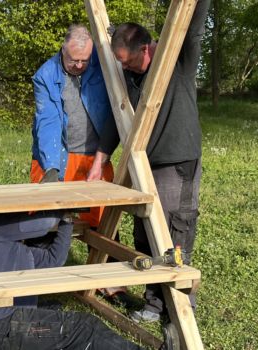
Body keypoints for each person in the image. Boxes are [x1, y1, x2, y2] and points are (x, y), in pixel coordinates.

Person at [87, 0, 210, 323]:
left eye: (129, 63)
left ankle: (181, 307)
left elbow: (194, 26)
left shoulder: (178, 59)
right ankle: (155, 303)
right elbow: (120, 115)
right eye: (121, 65)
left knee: (175, 233)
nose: (125, 69)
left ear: (147, 48)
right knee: (144, 232)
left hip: (176, 162)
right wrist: (101, 158)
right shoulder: (129, 74)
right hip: (143, 165)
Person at [0, 211, 168, 350]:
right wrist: (62, 203)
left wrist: (67, 221)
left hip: (1, 324)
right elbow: (44, 223)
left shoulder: (17, 250)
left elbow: (53, 259)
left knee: (57, 311)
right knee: (84, 326)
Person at [30, 24, 115, 228]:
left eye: (83, 61)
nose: (78, 65)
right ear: (63, 49)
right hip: (57, 156)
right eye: (73, 60)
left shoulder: (103, 61)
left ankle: (103, 260)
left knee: (101, 226)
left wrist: (116, 36)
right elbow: (48, 121)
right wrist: (51, 168)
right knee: (43, 224)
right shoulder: (45, 76)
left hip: (94, 158)